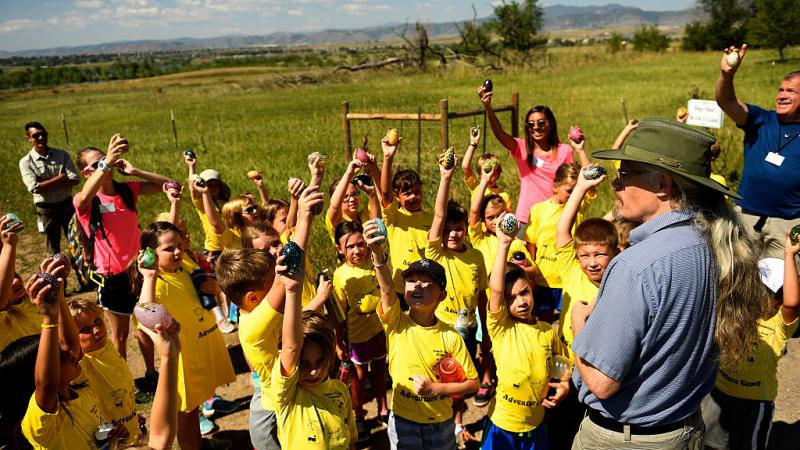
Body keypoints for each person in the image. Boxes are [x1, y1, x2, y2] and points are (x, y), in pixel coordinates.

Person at [569, 118, 766, 449]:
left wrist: (579, 327)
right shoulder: (716, 244)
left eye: (626, 173)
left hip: (624, 440)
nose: (615, 183)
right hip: (684, 430)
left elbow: (601, 382)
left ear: (662, 184)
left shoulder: (636, 265)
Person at [215, 186, 323, 450]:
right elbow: (289, 272)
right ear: (253, 296)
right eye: (270, 281)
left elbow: (289, 264)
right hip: (274, 410)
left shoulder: (255, 310)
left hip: (287, 394)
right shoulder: (254, 324)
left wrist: (303, 215)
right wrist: (305, 217)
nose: (277, 279)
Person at [368, 216, 479, 450]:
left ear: (441, 295)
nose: (417, 285)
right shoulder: (396, 322)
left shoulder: (450, 336)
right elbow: (387, 290)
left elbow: (472, 384)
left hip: (440, 423)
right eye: (411, 280)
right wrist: (378, 253)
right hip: (402, 420)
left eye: (426, 282)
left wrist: (436, 389)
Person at [73, 137, 173, 363]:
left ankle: (150, 374)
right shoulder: (86, 199)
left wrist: (135, 170)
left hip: (138, 272)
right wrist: (106, 161)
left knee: (146, 326)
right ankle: (123, 379)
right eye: (97, 164)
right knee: (119, 335)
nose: (105, 166)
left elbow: (169, 184)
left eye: (106, 161)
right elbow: (81, 202)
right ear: (86, 173)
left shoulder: (126, 191)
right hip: (112, 279)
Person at [137, 221, 236, 450]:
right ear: (151, 253)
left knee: (197, 402)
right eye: (169, 249)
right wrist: (149, 276)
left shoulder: (184, 264)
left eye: (179, 245)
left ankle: (201, 443)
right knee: (186, 412)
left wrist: (215, 287)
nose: (178, 252)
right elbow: (143, 315)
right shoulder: (157, 283)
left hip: (201, 347)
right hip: (183, 358)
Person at [701, 233, 800, 450]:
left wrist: (789, 255)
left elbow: (792, 302)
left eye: (766, 292)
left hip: (755, 403)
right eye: (755, 287)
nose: (757, 294)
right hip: (718, 392)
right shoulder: (735, 310)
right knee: (708, 444)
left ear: (778, 301)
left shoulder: (779, 325)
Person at [482, 214, 569, 450]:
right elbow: (496, 292)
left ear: (532, 288)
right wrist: (504, 244)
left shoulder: (547, 331)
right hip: (503, 424)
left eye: (524, 293)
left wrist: (564, 384)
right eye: (511, 298)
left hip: (536, 425)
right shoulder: (501, 328)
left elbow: (561, 362)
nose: (520, 302)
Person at [426, 150, 488, 443]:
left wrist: (485, 333)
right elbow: (438, 214)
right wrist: (445, 177)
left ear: (466, 230)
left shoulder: (476, 257)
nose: (453, 233)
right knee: (440, 380)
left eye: (458, 228)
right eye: (448, 229)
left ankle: (457, 424)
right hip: (440, 328)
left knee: (461, 381)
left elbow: (483, 298)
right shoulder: (436, 252)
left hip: (467, 330)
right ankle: (437, 425)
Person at [715, 45, 800, 259]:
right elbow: (727, 102)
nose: (782, 95)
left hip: (788, 224)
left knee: (783, 287)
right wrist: (727, 74)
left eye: (790, 91)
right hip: (746, 217)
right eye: (780, 90)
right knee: (738, 282)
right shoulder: (760, 120)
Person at [478, 85, 590, 231]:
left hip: (553, 217)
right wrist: (488, 107)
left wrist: (580, 150)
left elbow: (578, 180)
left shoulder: (564, 151)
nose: (536, 128)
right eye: (531, 124)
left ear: (551, 124)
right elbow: (500, 134)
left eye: (541, 123)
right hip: (526, 218)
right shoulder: (522, 148)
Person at [332, 221, 389, 440]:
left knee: (379, 371)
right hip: (356, 337)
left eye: (360, 244)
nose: (357, 250)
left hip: (379, 331)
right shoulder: (341, 276)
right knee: (358, 377)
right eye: (350, 247)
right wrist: (339, 343)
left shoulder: (374, 263)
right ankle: (358, 416)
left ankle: (383, 408)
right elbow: (338, 315)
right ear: (339, 249)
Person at [523, 162, 591, 323]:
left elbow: (591, 188)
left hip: (568, 277)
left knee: (569, 320)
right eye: (569, 191)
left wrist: (580, 151)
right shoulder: (539, 209)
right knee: (544, 320)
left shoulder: (577, 208)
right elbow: (530, 243)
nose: (573, 195)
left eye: (576, 191)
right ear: (555, 186)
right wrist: (531, 274)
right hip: (544, 278)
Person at [67, 297, 140, 445]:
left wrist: (132, 415)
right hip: (110, 438)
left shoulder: (107, 345)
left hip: (131, 428)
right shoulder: (82, 365)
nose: (96, 330)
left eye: (97, 322)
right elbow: (69, 344)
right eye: (84, 330)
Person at [379, 135, 432, 298]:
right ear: (397, 196)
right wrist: (388, 158)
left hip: (428, 285)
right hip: (402, 289)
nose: (413, 197)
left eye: (417, 192)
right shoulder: (394, 217)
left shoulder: (431, 219)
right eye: (407, 193)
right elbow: (385, 194)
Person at [18, 122, 79, 255]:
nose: (40, 138)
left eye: (43, 134)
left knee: (77, 241)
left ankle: (80, 271)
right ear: (28, 139)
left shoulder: (62, 155)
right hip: (46, 209)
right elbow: (35, 188)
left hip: (67, 204)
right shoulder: (26, 162)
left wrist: (45, 184)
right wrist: (61, 177)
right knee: (52, 247)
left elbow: (74, 179)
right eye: (35, 135)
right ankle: (56, 274)